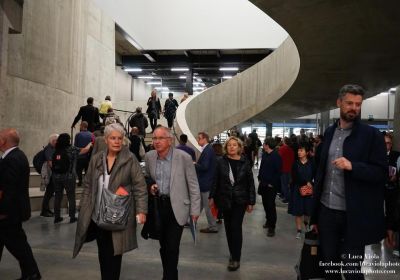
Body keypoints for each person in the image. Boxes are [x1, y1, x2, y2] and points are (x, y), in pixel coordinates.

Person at [310, 84, 387, 279]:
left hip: (354, 216)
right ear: (339, 103)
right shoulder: (328, 133)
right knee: (330, 266)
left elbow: (381, 173)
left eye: (358, 104)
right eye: (349, 103)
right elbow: (321, 172)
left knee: (352, 270)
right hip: (327, 211)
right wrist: (315, 215)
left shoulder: (371, 136)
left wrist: (354, 166)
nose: (354, 108)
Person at [73, 123, 147, 280]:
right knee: (103, 254)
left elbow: (140, 186)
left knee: (114, 255)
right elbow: (88, 185)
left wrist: (141, 211)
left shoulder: (130, 159)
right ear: (106, 140)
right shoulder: (96, 159)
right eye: (113, 138)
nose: (117, 141)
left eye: (120, 138)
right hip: (97, 215)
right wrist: (84, 207)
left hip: (118, 215)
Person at [145, 126, 201, 280]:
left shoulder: (183, 157)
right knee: (164, 247)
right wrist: (150, 185)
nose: (157, 141)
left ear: (169, 140)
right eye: (155, 138)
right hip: (158, 207)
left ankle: (169, 276)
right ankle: (169, 274)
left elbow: (194, 185)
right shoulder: (149, 157)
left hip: (177, 208)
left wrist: (195, 211)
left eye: (161, 138)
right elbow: (147, 177)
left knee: (172, 247)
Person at [0, 128, 41, 280]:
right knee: (16, 242)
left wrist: (2, 210)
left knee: (17, 244)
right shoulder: (15, 156)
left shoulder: (12, 159)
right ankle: (31, 273)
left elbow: (9, 188)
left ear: (3, 141)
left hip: (9, 211)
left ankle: (32, 273)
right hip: (12, 210)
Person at [209, 136, 255, 271]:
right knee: (229, 228)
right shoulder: (220, 162)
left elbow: (250, 183)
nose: (232, 147)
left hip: (240, 200)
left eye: (235, 145)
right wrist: (212, 196)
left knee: (235, 227)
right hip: (224, 199)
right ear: (226, 147)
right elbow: (215, 180)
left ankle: (236, 258)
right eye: (229, 145)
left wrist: (251, 201)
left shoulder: (245, 162)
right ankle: (232, 253)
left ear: (239, 147)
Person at [52, 133, 92, 224]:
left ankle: (57, 217)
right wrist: (90, 143)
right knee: (71, 196)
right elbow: (85, 150)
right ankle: (72, 217)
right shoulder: (72, 149)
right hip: (69, 177)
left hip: (56, 176)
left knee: (58, 196)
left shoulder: (56, 149)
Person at [288, 142, 315, 239]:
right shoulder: (295, 163)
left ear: (307, 152)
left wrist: (311, 184)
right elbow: (295, 177)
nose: (299, 152)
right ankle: (299, 230)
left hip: (309, 190)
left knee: (308, 210)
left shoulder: (312, 163)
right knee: (298, 211)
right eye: (298, 150)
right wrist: (305, 182)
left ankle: (306, 223)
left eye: (301, 150)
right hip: (297, 190)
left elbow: (315, 176)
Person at [257, 136, 282, 237]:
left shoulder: (276, 156)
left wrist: (272, 183)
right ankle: (268, 221)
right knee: (265, 204)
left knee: (271, 205)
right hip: (263, 183)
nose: (263, 145)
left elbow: (278, 172)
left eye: (264, 143)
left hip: (271, 185)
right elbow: (262, 167)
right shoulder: (265, 154)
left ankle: (272, 227)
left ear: (267, 145)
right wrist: (259, 176)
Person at [195, 132, 218, 233]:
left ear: (205, 139)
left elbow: (204, 167)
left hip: (206, 183)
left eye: (199, 138)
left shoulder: (208, 150)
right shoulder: (207, 149)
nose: (198, 140)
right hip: (204, 182)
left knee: (207, 207)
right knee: (199, 204)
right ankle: (192, 220)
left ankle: (212, 226)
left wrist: (194, 164)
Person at [384, 133, 400, 256]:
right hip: (378, 189)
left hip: (392, 189)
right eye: (384, 143)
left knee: (391, 212)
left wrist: (396, 176)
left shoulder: (396, 155)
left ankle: (390, 236)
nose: (386, 145)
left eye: (388, 143)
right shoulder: (376, 155)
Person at [40, 133, 59, 217]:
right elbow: (50, 163)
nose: (58, 142)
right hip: (50, 174)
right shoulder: (49, 149)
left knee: (50, 193)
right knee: (48, 193)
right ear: (53, 141)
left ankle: (47, 209)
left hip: (52, 174)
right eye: (57, 141)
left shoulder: (53, 148)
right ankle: (44, 211)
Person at [74, 121, 94, 186]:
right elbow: (93, 145)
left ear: (82, 126)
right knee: (87, 170)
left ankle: (80, 181)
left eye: (80, 125)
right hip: (88, 156)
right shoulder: (92, 134)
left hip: (80, 156)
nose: (80, 127)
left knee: (79, 170)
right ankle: (86, 182)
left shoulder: (78, 135)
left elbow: (75, 146)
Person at [278, 137, 295, 203]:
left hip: (283, 169)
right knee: (288, 184)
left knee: (284, 184)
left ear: (284, 141)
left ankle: (287, 198)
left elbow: (279, 159)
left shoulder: (281, 149)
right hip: (290, 169)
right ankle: (285, 195)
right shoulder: (291, 149)